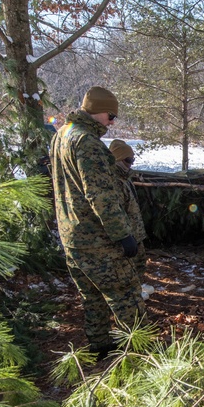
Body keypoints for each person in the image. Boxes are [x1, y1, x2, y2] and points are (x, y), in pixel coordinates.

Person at [51, 86, 144, 355]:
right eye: (110, 115)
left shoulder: (61, 135)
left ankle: (100, 346)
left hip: (72, 237)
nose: (112, 122)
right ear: (96, 111)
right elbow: (100, 195)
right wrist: (122, 234)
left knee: (92, 297)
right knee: (126, 295)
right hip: (97, 239)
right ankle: (141, 352)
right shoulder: (87, 143)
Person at [109, 139, 147, 279]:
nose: (131, 164)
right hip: (126, 235)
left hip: (135, 233)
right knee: (128, 271)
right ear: (117, 159)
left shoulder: (125, 178)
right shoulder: (113, 181)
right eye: (128, 160)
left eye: (133, 160)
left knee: (139, 265)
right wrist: (124, 236)